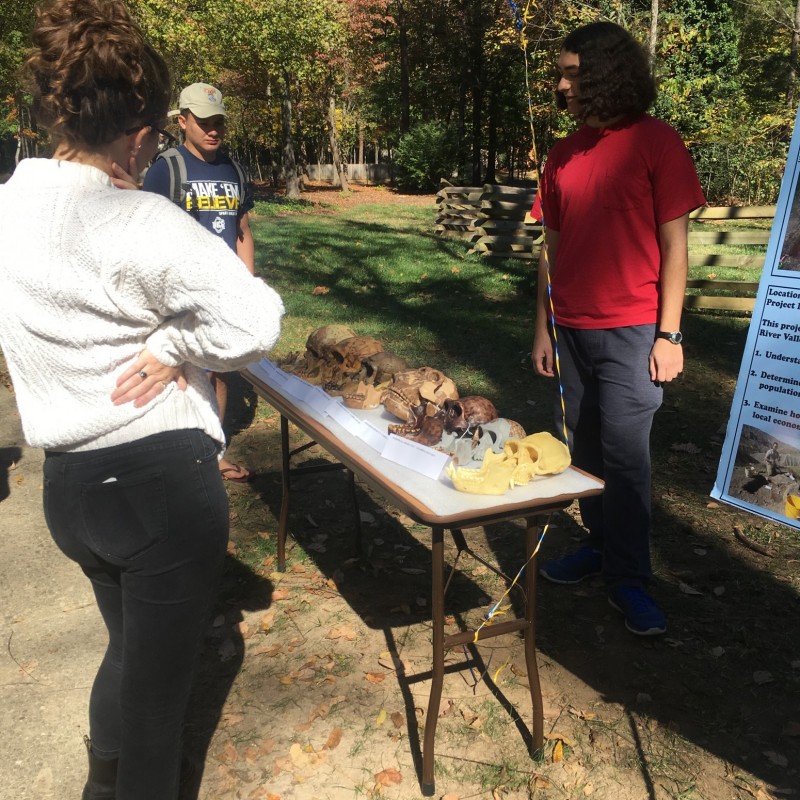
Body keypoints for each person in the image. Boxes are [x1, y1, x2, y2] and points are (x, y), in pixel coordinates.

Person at [0, 1, 284, 798]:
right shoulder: (139, 221)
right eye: (155, 136)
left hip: (70, 489)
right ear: (138, 135)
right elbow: (257, 320)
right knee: (160, 700)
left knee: (125, 652)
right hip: (160, 489)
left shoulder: (7, 208)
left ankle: (102, 785)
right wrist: (172, 347)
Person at [531, 21, 705, 637]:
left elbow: (675, 247)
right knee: (583, 451)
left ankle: (629, 581)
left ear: (607, 74)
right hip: (570, 331)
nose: (562, 86)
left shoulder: (657, 142)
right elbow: (550, 248)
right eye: (561, 74)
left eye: (572, 74)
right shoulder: (562, 154)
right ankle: (600, 547)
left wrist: (670, 335)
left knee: (626, 459)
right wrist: (543, 327)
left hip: (634, 331)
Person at [142, 82, 257, 483]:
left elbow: (242, 229)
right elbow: (148, 232)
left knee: (217, 370)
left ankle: (213, 453)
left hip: (223, 292)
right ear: (182, 121)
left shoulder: (233, 169)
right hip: (179, 293)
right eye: (204, 121)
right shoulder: (166, 169)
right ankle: (178, 456)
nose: (213, 129)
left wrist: (248, 285)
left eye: (218, 122)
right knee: (181, 372)